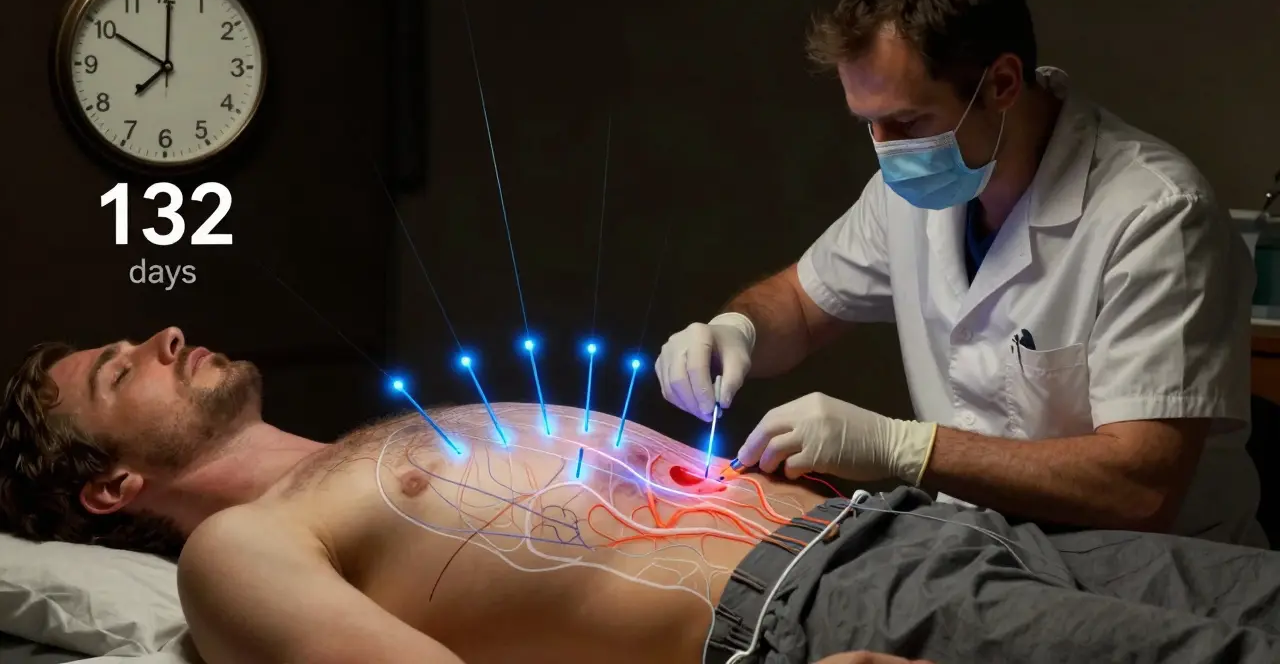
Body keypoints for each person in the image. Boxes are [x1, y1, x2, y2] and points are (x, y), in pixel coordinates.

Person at [5, 328, 1280, 664]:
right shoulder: (238, 550)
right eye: (120, 371)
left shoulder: (367, 441)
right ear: (112, 488)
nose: (161, 336)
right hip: (812, 610)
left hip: (902, 532)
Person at [655, 0, 1263, 547]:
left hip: (1152, 573)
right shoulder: (913, 191)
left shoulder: (1157, 216)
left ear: (1001, 83)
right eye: (869, 123)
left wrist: (904, 448)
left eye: (907, 122)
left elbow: (1140, 489)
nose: (886, 149)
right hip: (985, 555)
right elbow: (799, 304)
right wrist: (736, 330)